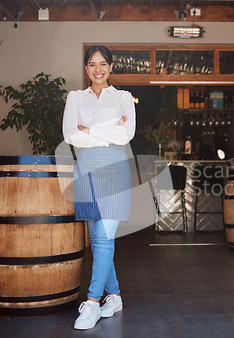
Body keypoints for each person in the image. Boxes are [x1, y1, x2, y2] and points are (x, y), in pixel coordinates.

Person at [62, 45, 136, 330]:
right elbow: (70, 135)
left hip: (115, 172)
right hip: (86, 173)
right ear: (86, 69)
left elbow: (126, 134)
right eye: (92, 64)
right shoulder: (75, 98)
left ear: (111, 67)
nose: (98, 70)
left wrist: (88, 130)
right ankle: (114, 296)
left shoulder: (123, 98)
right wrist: (107, 133)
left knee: (104, 239)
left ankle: (92, 302)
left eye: (103, 64)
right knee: (97, 241)